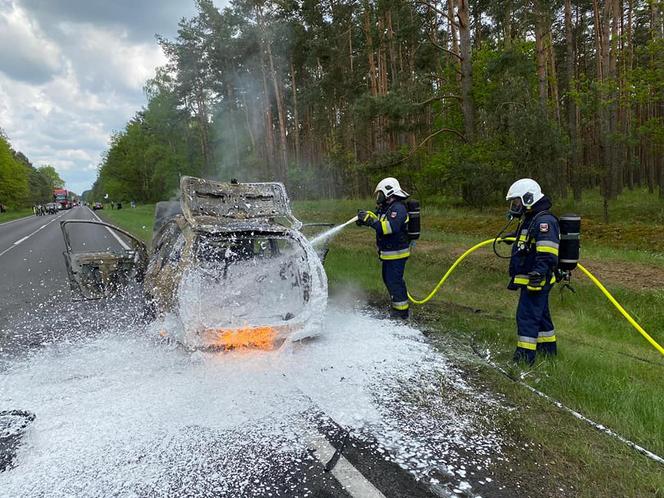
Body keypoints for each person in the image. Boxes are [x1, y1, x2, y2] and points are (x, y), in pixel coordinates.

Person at [505, 178, 560, 364]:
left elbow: (547, 251)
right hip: (533, 277)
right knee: (542, 317)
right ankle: (548, 353)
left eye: (517, 201)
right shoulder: (532, 219)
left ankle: (523, 359)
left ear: (528, 198)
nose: (515, 206)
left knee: (527, 317)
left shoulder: (544, 221)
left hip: (536, 279)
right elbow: (528, 240)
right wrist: (512, 238)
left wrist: (538, 273)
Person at [356, 177, 411, 319]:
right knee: (388, 279)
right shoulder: (386, 208)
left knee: (394, 281)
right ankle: (397, 306)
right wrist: (365, 219)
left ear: (389, 193)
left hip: (397, 254)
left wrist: (371, 222)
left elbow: (389, 227)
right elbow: (379, 220)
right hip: (388, 253)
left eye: (380, 193)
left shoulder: (398, 208)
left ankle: (401, 312)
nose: (378, 197)